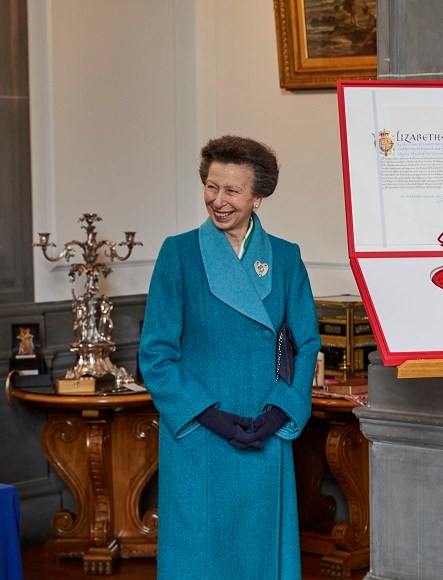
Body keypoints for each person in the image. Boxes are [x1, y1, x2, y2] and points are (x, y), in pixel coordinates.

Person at [139, 135, 321, 579]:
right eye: (211, 187)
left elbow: (306, 343)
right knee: (199, 559)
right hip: (201, 437)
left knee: (258, 559)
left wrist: (280, 413)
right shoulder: (178, 254)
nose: (218, 201)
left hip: (264, 430)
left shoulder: (285, 257)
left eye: (232, 191)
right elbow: (157, 355)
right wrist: (212, 417)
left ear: (258, 197)